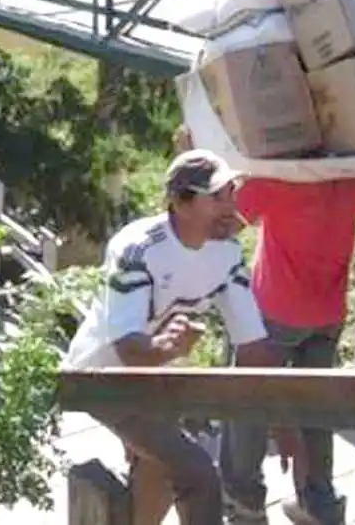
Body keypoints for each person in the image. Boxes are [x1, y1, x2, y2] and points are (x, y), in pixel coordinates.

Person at [66, 150, 289, 525]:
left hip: (157, 377)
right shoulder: (138, 249)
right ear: (180, 203)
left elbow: (252, 345)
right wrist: (166, 348)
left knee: (161, 473)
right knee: (198, 473)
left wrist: (283, 413)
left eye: (232, 193)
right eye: (216, 197)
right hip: (101, 378)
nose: (230, 207)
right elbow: (128, 350)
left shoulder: (227, 253)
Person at [220, 159, 355, 525]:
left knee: (246, 403)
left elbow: (225, 221)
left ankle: (245, 506)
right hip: (326, 315)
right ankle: (319, 504)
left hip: (274, 313)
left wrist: (199, 158)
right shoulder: (351, 175)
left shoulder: (277, 175)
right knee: (315, 410)